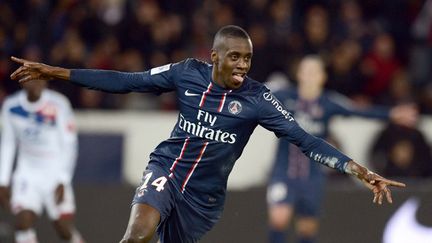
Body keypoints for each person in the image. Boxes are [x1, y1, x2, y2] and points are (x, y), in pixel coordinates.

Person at [10, 25, 406, 243]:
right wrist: (57, 72)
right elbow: (126, 81)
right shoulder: (186, 72)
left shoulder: (260, 99)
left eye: (248, 58)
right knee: (137, 235)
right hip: (167, 168)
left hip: (204, 198)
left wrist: (360, 170)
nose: (242, 65)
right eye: (235, 56)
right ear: (214, 56)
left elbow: (305, 139)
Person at [266, 55, 418, 243]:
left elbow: (357, 110)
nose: (310, 76)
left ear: (323, 77)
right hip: (283, 172)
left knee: (307, 229)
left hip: (313, 176)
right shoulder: (284, 96)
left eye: (315, 71)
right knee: (279, 218)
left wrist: (391, 113)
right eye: (306, 71)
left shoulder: (328, 103)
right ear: (299, 75)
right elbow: (256, 94)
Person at [0, 80, 85, 243]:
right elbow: (8, 143)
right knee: (23, 222)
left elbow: (69, 144)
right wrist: (3, 180)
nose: (36, 83)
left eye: (39, 78)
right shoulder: (11, 106)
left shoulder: (58, 104)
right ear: (23, 83)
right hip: (27, 173)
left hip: (54, 172)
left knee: (63, 229)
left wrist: (63, 179)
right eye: (31, 79)